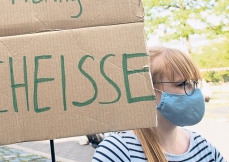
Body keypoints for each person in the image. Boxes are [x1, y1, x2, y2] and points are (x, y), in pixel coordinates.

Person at [92, 47, 226, 162]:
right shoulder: (117, 151)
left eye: (194, 83)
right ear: (147, 90)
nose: (193, 92)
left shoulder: (202, 147)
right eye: (182, 84)